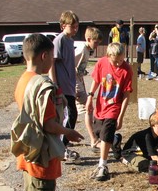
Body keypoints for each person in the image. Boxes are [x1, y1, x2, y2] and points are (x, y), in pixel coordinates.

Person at [11, 33, 84, 191]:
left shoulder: (24, 80)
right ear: (44, 56)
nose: (53, 60)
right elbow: (47, 123)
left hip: (28, 151)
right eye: (52, 56)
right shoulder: (41, 85)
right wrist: (68, 132)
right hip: (39, 155)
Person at [86, 42, 133, 181]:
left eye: (121, 60)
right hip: (101, 105)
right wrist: (90, 97)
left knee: (106, 134)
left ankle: (103, 166)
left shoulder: (126, 70)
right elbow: (95, 81)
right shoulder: (101, 63)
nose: (118, 64)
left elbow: (126, 95)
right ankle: (115, 140)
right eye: (115, 61)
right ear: (108, 56)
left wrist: (121, 116)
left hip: (114, 108)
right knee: (99, 134)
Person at [49, 10, 80, 163]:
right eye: (72, 26)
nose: (75, 29)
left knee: (69, 116)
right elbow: (52, 64)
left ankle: (61, 147)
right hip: (61, 87)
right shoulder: (59, 40)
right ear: (63, 26)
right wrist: (55, 85)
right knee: (70, 115)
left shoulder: (70, 41)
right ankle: (60, 148)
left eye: (77, 26)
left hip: (69, 86)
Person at [113, 109, 158, 182]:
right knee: (147, 165)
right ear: (152, 126)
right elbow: (154, 157)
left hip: (146, 153)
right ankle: (124, 160)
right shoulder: (148, 136)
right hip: (132, 153)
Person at [75, 26, 103, 153]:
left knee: (72, 112)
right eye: (96, 42)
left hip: (80, 83)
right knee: (88, 109)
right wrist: (74, 88)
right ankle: (93, 139)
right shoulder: (81, 50)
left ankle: (63, 137)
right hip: (75, 85)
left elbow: (79, 69)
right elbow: (70, 66)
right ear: (88, 39)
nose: (97, 45)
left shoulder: (87, 50)